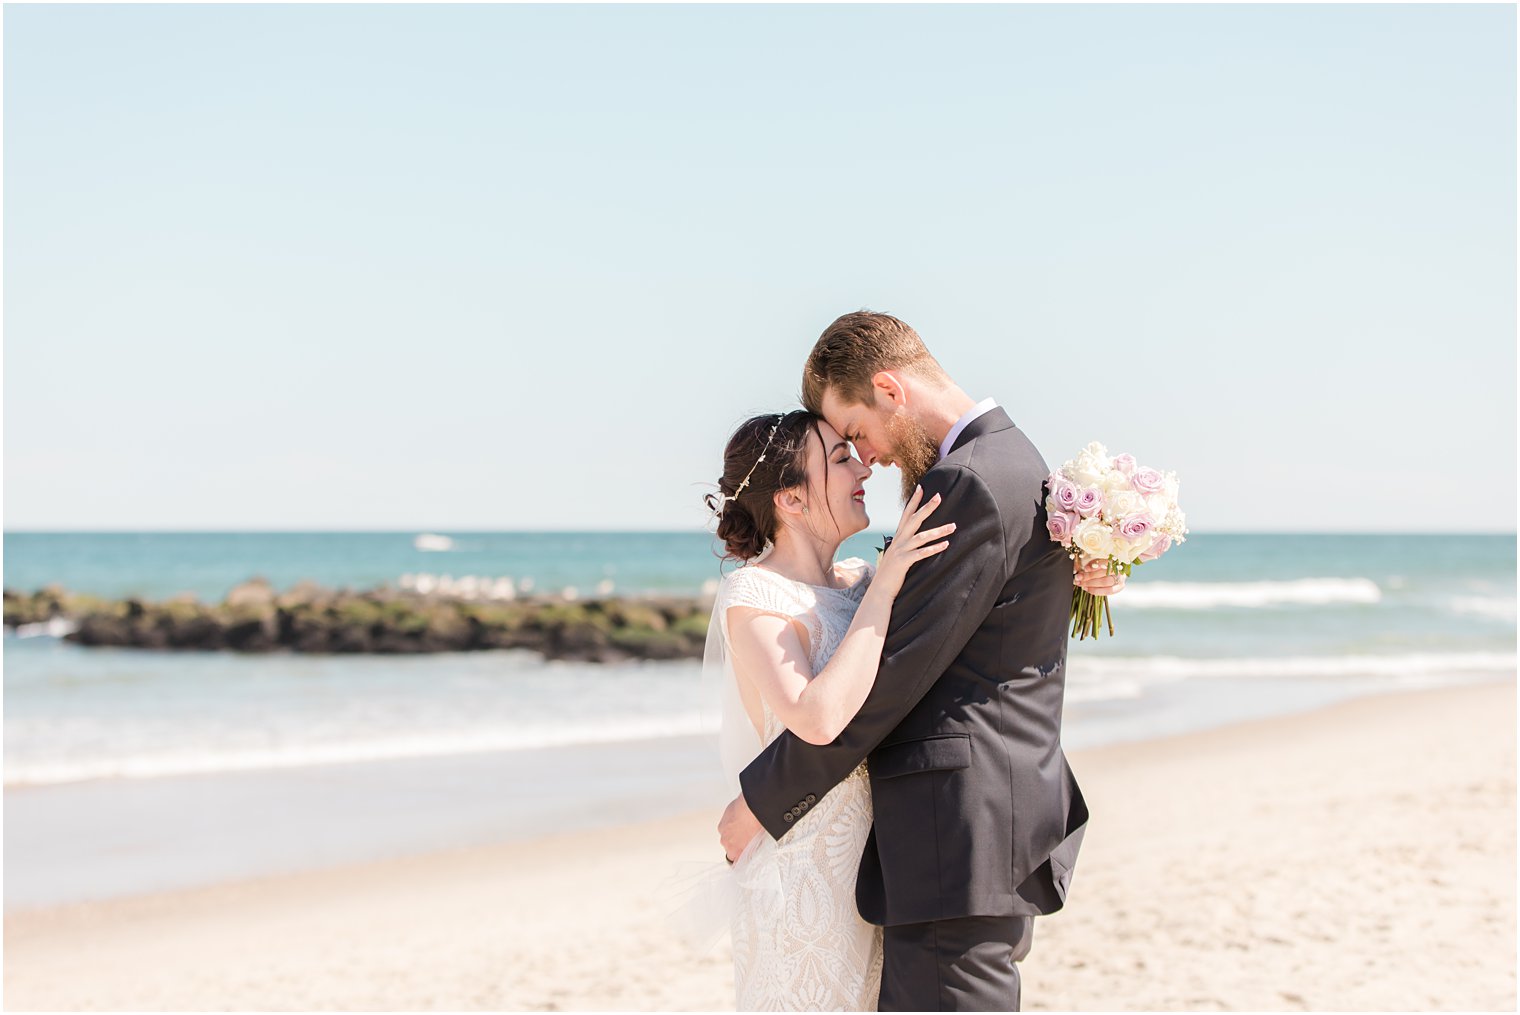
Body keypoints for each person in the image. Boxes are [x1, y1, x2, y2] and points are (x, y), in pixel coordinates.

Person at [703, 332, 1124, 1008]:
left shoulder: (966, 480)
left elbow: (894, 677)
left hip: (948, 833)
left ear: (891, 391)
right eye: (843, 453)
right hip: (899, 846)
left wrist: (764, 800)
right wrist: (1076, 573)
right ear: (790, 497)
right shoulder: (1007, 465)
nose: (866, 460)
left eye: (855, 435)